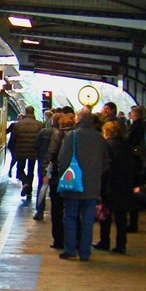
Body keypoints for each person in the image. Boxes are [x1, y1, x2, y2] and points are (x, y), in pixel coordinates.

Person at [56, 106, 109, 261]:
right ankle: (85, 252)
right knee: (88, 219)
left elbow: (63, 160)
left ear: (77, 120)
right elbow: (106, 162)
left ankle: (70, 249)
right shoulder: (99, 138)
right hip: (92, 186)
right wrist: (95, 175)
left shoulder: (71, 136)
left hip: (73, 184)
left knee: (70, 216)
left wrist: (62, 177)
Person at [94, 119, 140, 254]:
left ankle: (105, 241)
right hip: (125, 184)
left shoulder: (106, 145)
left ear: (107, 132)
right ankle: (121, 244)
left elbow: (103, 166)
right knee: (121, 217)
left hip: (109, 184)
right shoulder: (127, 146)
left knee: (105, 215)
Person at [43, 109, 75, 248]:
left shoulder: (58, 135)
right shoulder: (77, 136)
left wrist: (46, 172)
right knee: (72, 210)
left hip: (57, 177)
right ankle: (74, 240)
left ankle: (58, 240)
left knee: (56, 210)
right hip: (74, 177)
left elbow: (51, 154)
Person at [11, 105, 43, 202]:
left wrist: (14, 151)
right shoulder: (39, 125)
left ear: (25, 112)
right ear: (33, 112)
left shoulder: (18, 125)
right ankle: (29, 191)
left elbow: (13, 139)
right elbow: (41, 139)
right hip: (33, 151)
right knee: (31, 171)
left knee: (20, 170)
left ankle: (25, 183)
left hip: (20, 151)